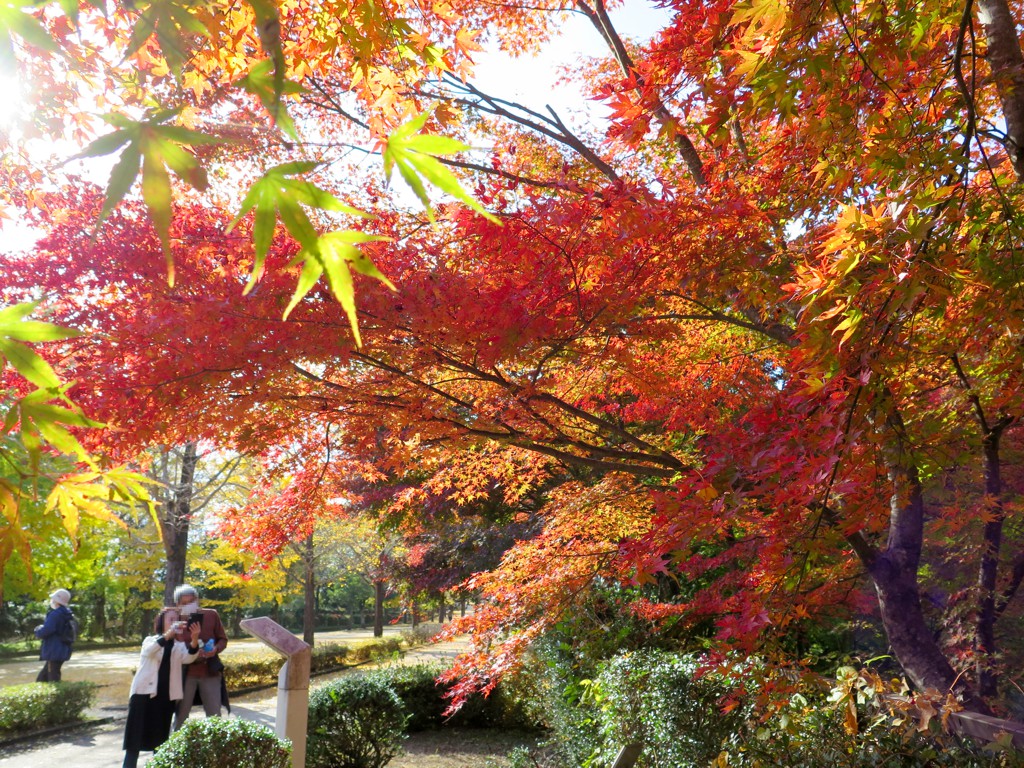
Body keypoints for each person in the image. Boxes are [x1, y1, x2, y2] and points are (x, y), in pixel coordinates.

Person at [122, 608, 201, 768]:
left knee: (160, 741)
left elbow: (189, 658)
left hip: (166, 698)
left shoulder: (179, 646)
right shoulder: (150, 640)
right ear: (161, 622)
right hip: (143, 695)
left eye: (176, 619)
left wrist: (194, 638)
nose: (174, 622)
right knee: (134, 741)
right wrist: (167, 636)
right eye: (170, 619)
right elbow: (149, 652)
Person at [172, 584, 228, 730]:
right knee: (181, 715)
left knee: (214, 716)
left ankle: (216, 749)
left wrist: (215, 649)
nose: (188, 606)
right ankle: (175, 748)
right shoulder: (174, 620)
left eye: (191, 602)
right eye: (184, 603)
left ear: (197, 600)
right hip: (185, 674)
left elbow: (223, 639)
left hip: (209, 671)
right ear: (177, 604)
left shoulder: (211, 615)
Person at [33, 588, 74, 682]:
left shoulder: (55, 614)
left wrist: (38, 630)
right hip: (63, 649)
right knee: (43, 677)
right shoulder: (67, 614)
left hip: (54, 649)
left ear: (57, 600)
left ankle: (56, 696)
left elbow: (48, 629)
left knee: (53, 677)